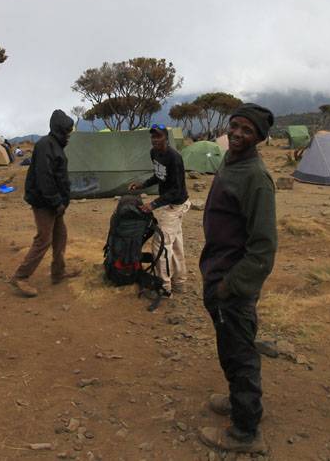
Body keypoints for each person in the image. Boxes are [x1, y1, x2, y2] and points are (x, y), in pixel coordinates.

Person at [197, 104, 277, 455]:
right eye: (235, 126)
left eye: (248, 130)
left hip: (232, 280)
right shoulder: (231, 162)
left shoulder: (256, 177)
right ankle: (239, 401)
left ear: (259, 138)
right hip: (218, 270)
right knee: (230, 344)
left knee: (240, 352)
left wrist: (231, 285)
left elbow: (263, 246)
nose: (237, 134)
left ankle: (246, 432)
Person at [10, 110, 80, 297]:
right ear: (59, 130)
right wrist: (57, 202)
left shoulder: (55, 145)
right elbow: (45, 178)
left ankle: (58, 272)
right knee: (44, 239)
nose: (69, 135)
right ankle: (20, 277)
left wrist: (61, 201)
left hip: (54, 202)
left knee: (60, 235)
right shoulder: (45, 146)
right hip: (44, 203)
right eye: (67, 131)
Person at [128, 124, 190, 295]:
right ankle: (180, 282)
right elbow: (159, 176)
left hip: (175, 205)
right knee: (175, 244)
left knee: (161, 245)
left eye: (159, 136)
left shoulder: (174, 158)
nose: (155, 139)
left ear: (166, 138)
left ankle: (164, 287)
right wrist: (142, 185)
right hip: (168, 204)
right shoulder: (154, 153)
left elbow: (177, 189)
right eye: (153, 136)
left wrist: (153, 204)